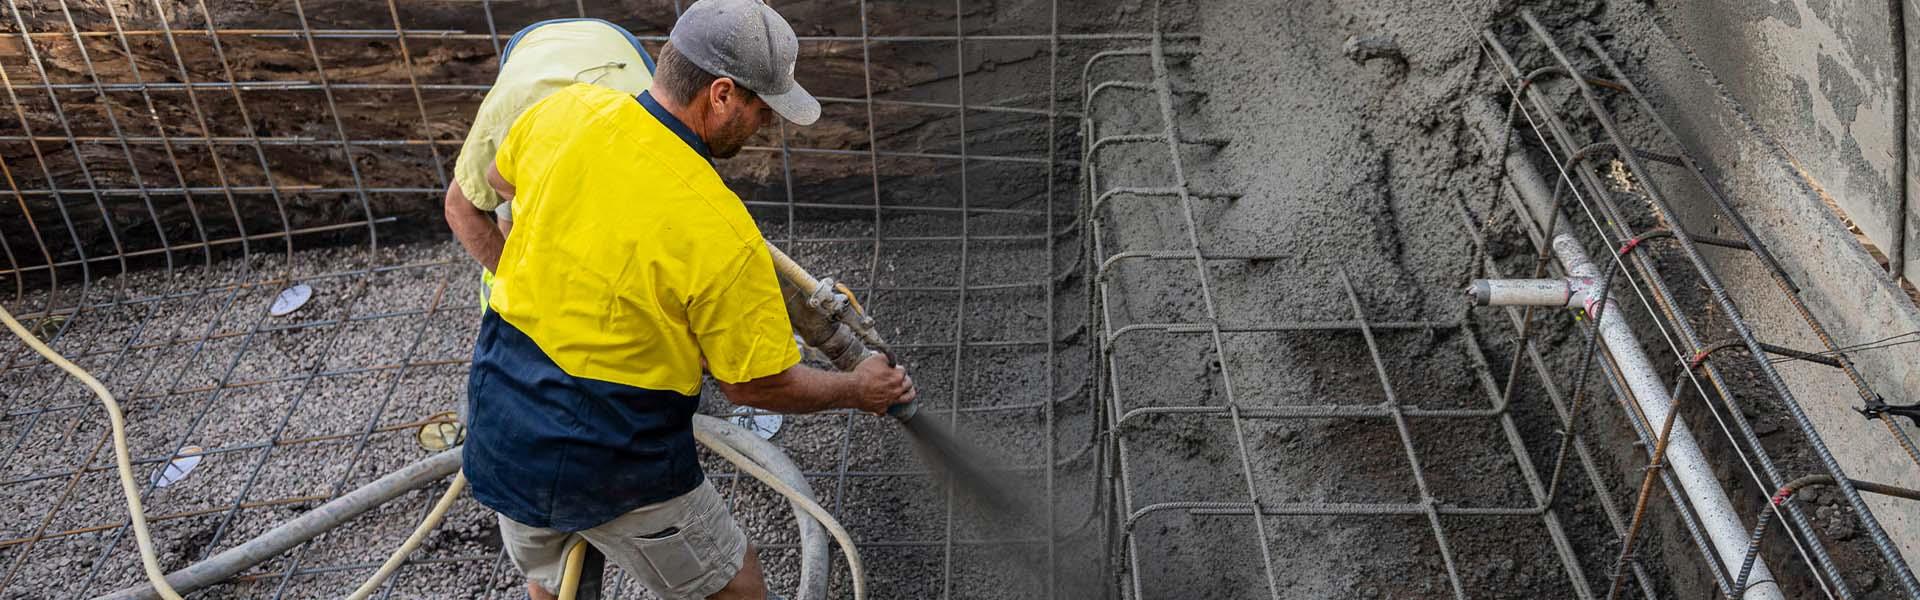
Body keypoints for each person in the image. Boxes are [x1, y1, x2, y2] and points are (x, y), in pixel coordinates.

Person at [452, 2, 917, 600]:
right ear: (720, 94)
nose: (764, 127)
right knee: (735, 583)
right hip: (612, 455)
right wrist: (860, 390)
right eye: (761, 109)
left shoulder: (565, 112)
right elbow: (757, 386)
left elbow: (500, 182)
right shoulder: (721, 231)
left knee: (555, 578)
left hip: (498, 422)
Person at [443, 16, 656, 283]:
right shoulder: (505, 118)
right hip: (531, 53)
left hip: (617, 48)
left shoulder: (651, 128)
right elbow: (458, 207)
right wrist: (519, 285)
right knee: (511, 195)